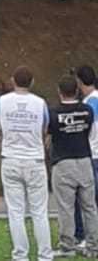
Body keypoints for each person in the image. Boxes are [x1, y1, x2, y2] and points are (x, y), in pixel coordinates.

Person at [0, 65, 53, 261]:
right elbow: (45, 129)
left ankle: (20, 255)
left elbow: (1, 125)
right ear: (32, 82)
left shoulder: (2, 102)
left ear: (13, 81)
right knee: (39, 212)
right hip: (34, 159)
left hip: (10, 158)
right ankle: (45, 255)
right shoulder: (40, 104)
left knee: (15, 212)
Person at [49, 75, 98, 258]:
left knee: (66, 207)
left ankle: (67, 246)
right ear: (76, 90)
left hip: (63, 162)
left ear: (59, 91)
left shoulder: (53, 112)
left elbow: (48, 133)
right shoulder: (87, 110)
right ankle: (93, 247)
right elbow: (89, 132)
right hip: (84, 160)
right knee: (90, 206)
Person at [75, 66, 98, 249]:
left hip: (91, 154)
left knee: (86, 200)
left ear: (80, 82)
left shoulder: (87, 104)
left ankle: (84, 236)